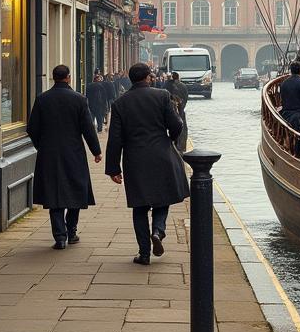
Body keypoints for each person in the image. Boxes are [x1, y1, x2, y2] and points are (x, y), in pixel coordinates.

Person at [105, 62, 189, 265]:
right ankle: (158, 231)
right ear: (148, 77)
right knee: (163, 198)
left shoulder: (120, 103)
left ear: (132, 79)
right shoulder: (161, 96)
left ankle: (144, 254)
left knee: (140, 206)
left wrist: (113, 168)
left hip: (135, 159)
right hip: (161, 154)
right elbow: (177, 124)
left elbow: (115, 139)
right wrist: (170, 139)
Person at [27, 65, 102, 249]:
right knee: (76, 190)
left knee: (53, 193)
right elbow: (88, 129)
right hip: (73, 152)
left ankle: (60, 237)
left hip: (49, 154)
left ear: (53, 78)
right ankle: (72, 232)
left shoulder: (42, 99)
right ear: (68, 78)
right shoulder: (79, 99)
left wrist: (42, 146)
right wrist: (96, 151)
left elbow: (32, 128)